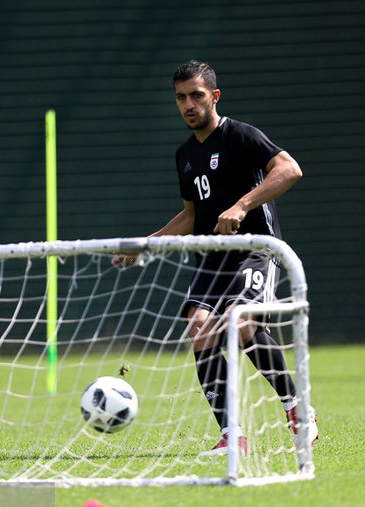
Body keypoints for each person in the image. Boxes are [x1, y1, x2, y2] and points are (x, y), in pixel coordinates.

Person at [115, 60, 317, 455]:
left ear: (215, 96)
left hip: (256, 248)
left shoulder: (241, 136)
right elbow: (191, 217)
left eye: (196, 95)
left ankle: (298, 411)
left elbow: (290, 170)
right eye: (180, 98)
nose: (188, 104)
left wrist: (242, 205)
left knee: (241, 321)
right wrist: (147, 243)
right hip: (212, 256)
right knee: (200, 326)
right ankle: (232, 435)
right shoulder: (185, 155)